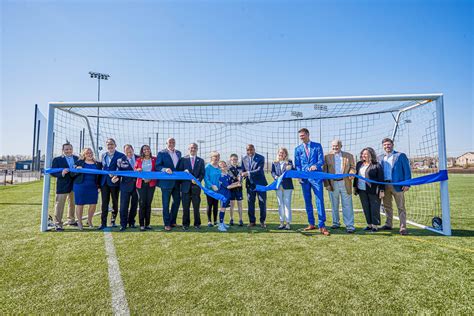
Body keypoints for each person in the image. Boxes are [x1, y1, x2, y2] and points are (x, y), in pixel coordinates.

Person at [294, 128, 330, 235]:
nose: (301, 137)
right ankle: (311, 223)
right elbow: (298, 164)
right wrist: (299, 175)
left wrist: (316, 166)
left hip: (316, 177)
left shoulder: (317, 146)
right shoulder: (298, 149)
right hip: (304, 179)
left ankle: (322, 225)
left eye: (303, 135)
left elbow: (321, 161)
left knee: (319, 200)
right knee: (307, 201)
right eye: (300, 136)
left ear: (308, 135)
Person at [377, 137, 412, 235]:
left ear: (392, 145)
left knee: (401, 207)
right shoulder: (380, 157)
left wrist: (407, 184)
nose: (387, 146)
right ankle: (388, 224)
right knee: (387, 206)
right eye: (385, 145)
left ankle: (403, 227)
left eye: (388, 144)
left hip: (397, 185)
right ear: (383, 146)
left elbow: (407, 171)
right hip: (385, 185)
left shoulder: (400, 156)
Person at [323, 139, 356, 233]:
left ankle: (350, 225)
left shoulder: (349, 156)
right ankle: (336, 223)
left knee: (347, 205)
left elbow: (353, 167)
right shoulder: (327, 156)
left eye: (337, 145)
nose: (335, 147)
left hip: (345, 183)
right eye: (333, 146)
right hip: (333, 184)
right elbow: (325, 171)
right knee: (334, 204)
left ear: (341, 146)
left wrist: (351, 173)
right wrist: (327, 184)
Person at [353, 147, 385, 232]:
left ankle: (375, 226)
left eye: (366, 154)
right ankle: (369, 225)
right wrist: (355, 187)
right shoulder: (359, 164)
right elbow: (356, 177)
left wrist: (382, 190)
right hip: (361, 190)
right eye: (363, 154)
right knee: (366, 207)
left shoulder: (376, 165)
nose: (364, 155)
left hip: (373, 190)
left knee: (374, 208)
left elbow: (381, 178)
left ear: (371, 155)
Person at [50, 142, 79, 231]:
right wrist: (61, 173)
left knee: (72, 203)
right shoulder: (57, 159)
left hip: (74, 184)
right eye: (66, 149)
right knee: (59, 205)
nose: (68, 151)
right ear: (63, 150)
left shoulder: (77, 158)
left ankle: (71, 220)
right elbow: (52, 172)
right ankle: (58, 224)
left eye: (70, 149)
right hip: (62, 185)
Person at [72, 148, 102, 230]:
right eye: (87, 153)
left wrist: (99, 186)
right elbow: (72, 174)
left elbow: (100, 176)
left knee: (93, 204)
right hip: (80, 186)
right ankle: (80, 222)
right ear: (84, 155)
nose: (89, 154)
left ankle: (89, 220)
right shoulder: (79, 163)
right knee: (80, 204)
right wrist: (77, 170)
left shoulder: (98, 164)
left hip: (93, 186)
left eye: (91, 152)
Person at [98, 138, 125, 230]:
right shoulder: (103, 155)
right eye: (108, 144)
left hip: (115, 182)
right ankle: (103, 222)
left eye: (112, 144)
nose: (110, 146)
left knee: (115, 202)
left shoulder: (121, 155)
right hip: (104, 182)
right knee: (104, 203)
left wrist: (116, 175)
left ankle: (113, 221)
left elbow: (122, 168)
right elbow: (102, 168)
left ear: (115, 145)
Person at [177, 143, 205, 230]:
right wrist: (184, 173)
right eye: (191, 148)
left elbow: (202, 173)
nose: (193, 149)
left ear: (197, 149)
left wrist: (197, 180)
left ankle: (197, 224)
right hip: (185, 187)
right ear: (188, 149)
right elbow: (179, 171)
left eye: (195, 148)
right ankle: (185, 224)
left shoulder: (200, 160)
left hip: (196, 188)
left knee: (196, 207)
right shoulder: (183, 159)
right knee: (185, 207)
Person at [156, 138, 182, 229]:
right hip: (166, 183)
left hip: (176, 182)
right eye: (170, 142)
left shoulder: (178, 153)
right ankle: (167, 224)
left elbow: (179, 166)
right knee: (166, 204)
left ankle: (173, 221)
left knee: (177, 201)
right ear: (166, 143)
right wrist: (165, 169)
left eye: (173, 142)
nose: (171, 144)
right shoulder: (161, 153)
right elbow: (158, 166)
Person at [113, 144, 139, 231]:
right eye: (127, 151)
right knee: (123, 206)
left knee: (134, 205)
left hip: (137, 186)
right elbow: (118, 172)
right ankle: (123, 224)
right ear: (124, 151)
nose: (129, 152)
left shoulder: (139, 158)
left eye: (130, 150)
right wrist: (115, 177)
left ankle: (132, 222)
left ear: (133, 149)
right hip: (125, 186)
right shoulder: (120, 160)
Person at [241, 144, 268, 228]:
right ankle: (252, 221)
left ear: (254, 149)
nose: (249, 152)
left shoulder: (261, 158)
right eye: (248, 150)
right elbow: (243, 171)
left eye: (251, 150)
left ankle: (262, 221)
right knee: (250, 203)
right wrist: (240, 177)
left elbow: (259, 170)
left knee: (262, 203)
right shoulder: (244, 159)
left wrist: (247, 173)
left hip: (260, 184)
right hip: (250, 185)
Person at [135, 145, 157, 231]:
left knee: (148, 204)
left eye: (148, 149)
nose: (146, 150)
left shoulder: (154, 159)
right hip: (141, 184)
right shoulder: (139, 160)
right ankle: (141, 224)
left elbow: (156, 171)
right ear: (142, 151)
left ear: (150, 150)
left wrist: (150, 178)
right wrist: (138, 169)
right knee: (142, 203)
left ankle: (147, 224)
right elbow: (135, 168)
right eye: (144, 149)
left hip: (151, 184)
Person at [271, 147, 294, 230]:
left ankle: (288, 223)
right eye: (280, 152)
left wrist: (291, 167)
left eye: (283, 152)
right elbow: (272, 172)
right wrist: (275, 177)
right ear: (278, 153)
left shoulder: (289, 162)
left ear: (286, 154)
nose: (281, 154)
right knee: (280, 204)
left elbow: (294, 170)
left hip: (287, 186)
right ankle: (281, 222)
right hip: (278, 186)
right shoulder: (274, 163)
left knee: (287, 205)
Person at [216, 160, 234, 232]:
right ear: (220, 168)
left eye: (225, 165)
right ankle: (220, 225)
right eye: (222, 166)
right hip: (223, 195)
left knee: (224, 208)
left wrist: (237, 181)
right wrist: (237, 185)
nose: (224, 167)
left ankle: (222, 222)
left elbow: (230, 183)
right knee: (222, 208)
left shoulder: (227, 174)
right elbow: (228, 187)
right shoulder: (221, 176)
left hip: (228, 194)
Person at [204, 151, 221, 227]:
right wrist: (211, 186)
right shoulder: (208, 167)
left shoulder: (219, 167)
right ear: (211, 158)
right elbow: (206, 178)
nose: (216, 158)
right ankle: (209, 221)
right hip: (210, 189)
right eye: (215, 156)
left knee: (216, 205)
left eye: (217, 156)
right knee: (209, 204)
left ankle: (215, 221)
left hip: (218, 190)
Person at [228, 154, 244, 226]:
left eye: (236, 159)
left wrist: (241, 178)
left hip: (239, 189)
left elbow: (243, 177)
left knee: (240, 204)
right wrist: (237, 179)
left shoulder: (240, 168)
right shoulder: (228, 168)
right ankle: (231, 219)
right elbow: (231, 178)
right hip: (231, 189)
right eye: (233, 159)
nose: (234, 161)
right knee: (232, 205)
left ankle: (240, 219)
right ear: (230, 160)